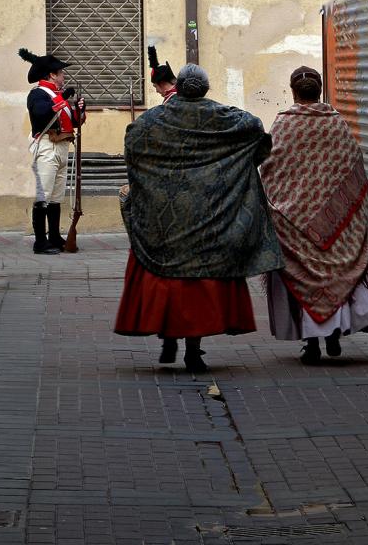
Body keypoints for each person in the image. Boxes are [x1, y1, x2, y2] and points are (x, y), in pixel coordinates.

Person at [114, 64, 283, 372]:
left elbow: (133, 145)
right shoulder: (227, 118)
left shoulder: (152, 120)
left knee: (165, 275)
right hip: (209, 215)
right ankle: (194, 350)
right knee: (198, 283)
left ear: (178, 86)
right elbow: (258, 134)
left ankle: (169, 337)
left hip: (166, 217)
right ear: (205, 89)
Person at [259, 66, 368, 364]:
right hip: (336, 223)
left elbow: (269, 167)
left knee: (304, 278)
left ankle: (312, 344)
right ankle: (333, 333)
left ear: (293, 92)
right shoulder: (337, 124)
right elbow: (354, 168)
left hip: (294, 221)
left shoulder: (284, 124)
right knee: (333, 276)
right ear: (319, 90)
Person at [19, 48, 86, 254]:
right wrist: (62, 99)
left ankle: (54, 237)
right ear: (51, 75)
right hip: (47, 146)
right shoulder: (38, 94)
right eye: (61, 72)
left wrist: (78, 110)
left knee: (56, 196)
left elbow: (73, 123)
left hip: (63, 146)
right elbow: (41, 114)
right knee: (44, 196)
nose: (64, 76)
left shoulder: (58, 96)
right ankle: (40, 241)